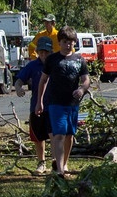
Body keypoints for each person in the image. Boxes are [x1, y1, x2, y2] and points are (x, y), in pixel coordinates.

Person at [36, 26, 90, 177]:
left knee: (69, 135)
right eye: (65, 42)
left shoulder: (79, 60)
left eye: (71, 42)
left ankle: (64, 163)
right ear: (59, 42)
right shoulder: (52, 60)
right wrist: (39, 101)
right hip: (55, 103)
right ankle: (59, 169)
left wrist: (81, 89)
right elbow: (43, 80)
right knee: (58, 134)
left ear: (75, 43)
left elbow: (86, 80)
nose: (68, 45)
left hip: (72, 104)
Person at [13, 36, 52, 175]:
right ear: (37, 52)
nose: (44, 55)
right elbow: (19, 80)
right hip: (37, 106)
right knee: (38, 137)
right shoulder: (32, 65)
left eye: (46, 52)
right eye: (41, 52)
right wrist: (18, 88)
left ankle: (56, 162)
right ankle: (41, 163)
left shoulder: (56, 65)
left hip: (53, 106)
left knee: (54, 135)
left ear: (51, 52)